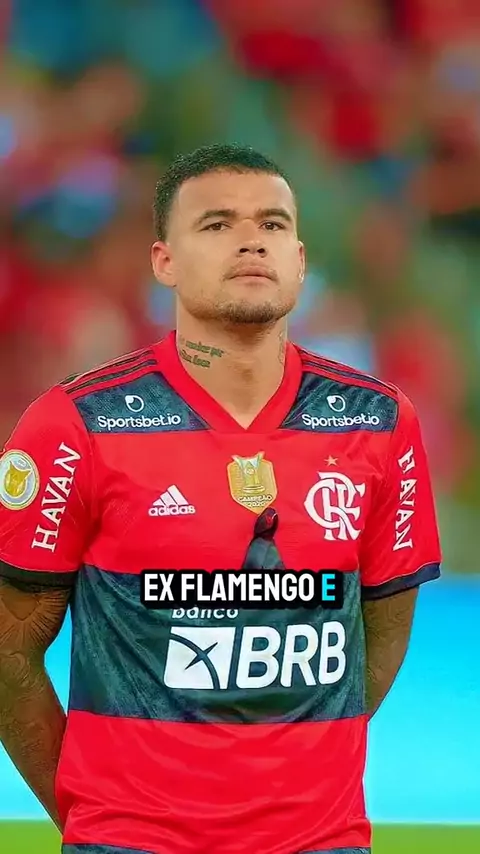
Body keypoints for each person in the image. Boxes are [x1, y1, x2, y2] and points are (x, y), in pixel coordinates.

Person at [0, 143, 441, 854]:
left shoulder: (380, 422)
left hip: (323, 842)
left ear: (299, 259)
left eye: (272, 224)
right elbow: (8, 652)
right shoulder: (76, 425)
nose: (251, 240)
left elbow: (381, 630)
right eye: (216, 224)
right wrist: (95, 817)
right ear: (164, 261)